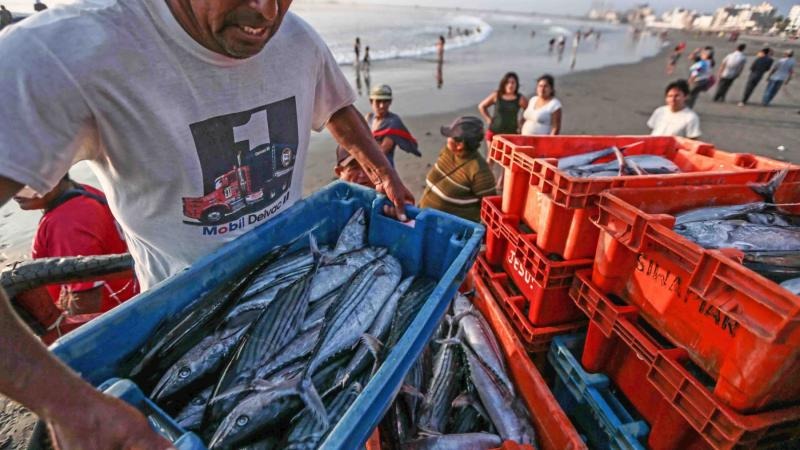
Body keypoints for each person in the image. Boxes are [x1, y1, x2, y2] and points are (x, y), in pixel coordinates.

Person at [0, 0, 413, 448]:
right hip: (185, 325)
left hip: (303, 277)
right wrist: (66, 403)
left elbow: (336, 106)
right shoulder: (63, 53)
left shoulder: (297, 39)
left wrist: (381, 172)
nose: (266, 12)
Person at [13, 174, 138, 315]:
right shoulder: (83, 191)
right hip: (132, 294)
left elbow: (86, 302)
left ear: (55, 172)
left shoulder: (66, 224)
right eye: (9, 181)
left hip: (117, 315)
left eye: (23, 182)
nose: (13, 192)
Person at [419, 116, 496, 222]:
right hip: (425, 219)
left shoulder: (480, 171)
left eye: (450, 136)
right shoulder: (447, 151)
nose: (447, 139)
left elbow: (490, 207)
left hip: (450, 230)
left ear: (460, 145)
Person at [365, 84, 420, 166]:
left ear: (390, 102)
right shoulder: (369, 118)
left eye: (385, 101)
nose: (382, 106)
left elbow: (383, 151)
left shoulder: (393, 122)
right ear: (371, 101)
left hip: (384, 165)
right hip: (365, 162)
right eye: (378, 101)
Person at [478, 72, 528, 145]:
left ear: (516, 85)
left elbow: (529, 110)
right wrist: (488, 119)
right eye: (507, 82)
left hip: (511, 133)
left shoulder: (520, 98)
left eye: (513, 83)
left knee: (509, 156)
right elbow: (481, 106)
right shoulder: (497, 95)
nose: (510, 85)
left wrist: (522, 121)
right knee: (492, 155)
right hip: (494, 131)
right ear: (503, 84)